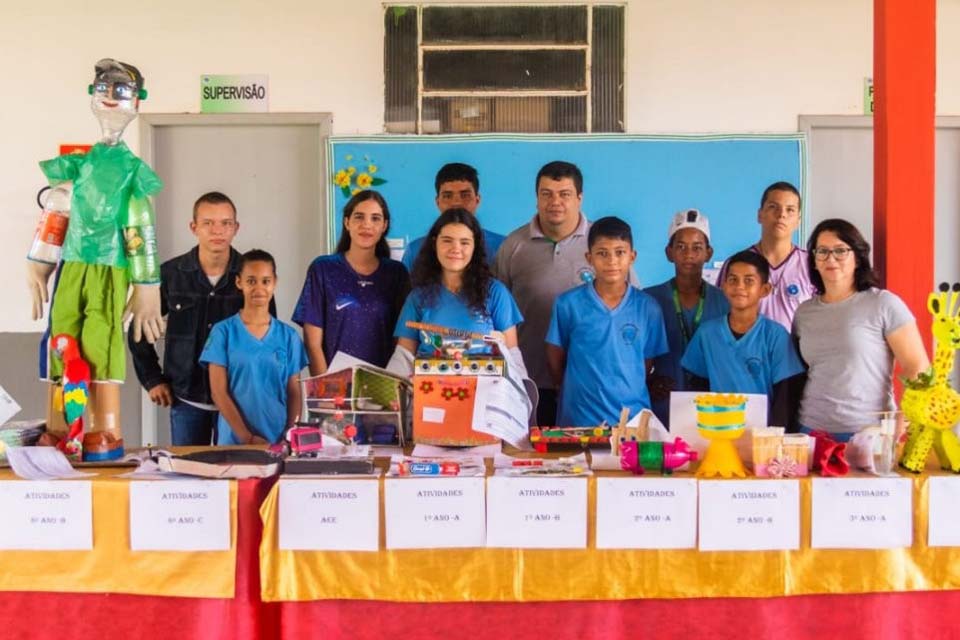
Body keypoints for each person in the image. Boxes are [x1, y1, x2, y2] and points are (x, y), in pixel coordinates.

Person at [27, 58, 163, 447]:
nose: (110, 96)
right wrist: (39, 261)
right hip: (71, 266)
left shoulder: (131, 171)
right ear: (91, 94)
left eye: (121, 90)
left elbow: (138, 222)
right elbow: (59, 204)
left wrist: (147, 283)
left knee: (101, 341)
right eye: (103, 87)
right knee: (61, 336)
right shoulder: (82, 164)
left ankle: (105, 428)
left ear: (137, 101)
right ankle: (59, 428)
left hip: (110, 268)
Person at [495, 161, 635, 425]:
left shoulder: (604, 244)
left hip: (592, 388)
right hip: (528, 380)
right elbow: (495, 311)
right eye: (546, 194)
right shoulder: (513, 246)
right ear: (537, 198)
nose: (555, 202)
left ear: (580, 198)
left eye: (565, 194)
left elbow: (630, 308)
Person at [129, 191, 268, 445]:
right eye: (208, 223)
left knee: (239, 467)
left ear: (236, 228)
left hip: (239, 400)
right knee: (190, 468)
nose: (217, 231)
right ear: (194, 227)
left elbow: (268, 337)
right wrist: (152, 379)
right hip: (187, 398)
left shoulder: (252, 276)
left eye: (225, 223)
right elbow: (139, 328)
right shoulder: (171, 274)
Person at [793, 219, 930, 441]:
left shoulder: (883, 303)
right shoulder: (804, 312)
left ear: (857, 258)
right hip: (810, 429)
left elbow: (917, 366)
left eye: (840, 251)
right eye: (822, 251)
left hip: (868, 432)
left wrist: (904, 416)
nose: (830, 259)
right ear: (814, 261)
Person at [545, 217, 668, 427]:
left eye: (620, 252)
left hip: (632, 420)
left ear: (632, 257)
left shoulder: (648, 308)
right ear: (589, 257)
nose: (612, 261)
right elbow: (555, 355)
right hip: (579, 419)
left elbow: (646, 363)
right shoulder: (568, 304)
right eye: (602, 253)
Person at [681, 251, 805, 427]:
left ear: (765, 289)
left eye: (749, 281)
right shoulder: (707, 333)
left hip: (762, 432)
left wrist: (773, 435)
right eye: (733, 280)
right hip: (717, 429)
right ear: (723, 286)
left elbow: (785, 394)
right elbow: (697, 385)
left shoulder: (775, 335)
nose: (739, 286)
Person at [293, 190, 409, 373]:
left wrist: (394, 384)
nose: (367, 224)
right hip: (334, 384)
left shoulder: (396, 273)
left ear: (384, 225)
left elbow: (402, 341)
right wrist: (326, 385)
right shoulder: (323, 269)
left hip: (384, 384)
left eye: (375, 218)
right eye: (359, 217)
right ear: (347, 222)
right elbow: (312, 342)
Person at [200, 249, 308, 445]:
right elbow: (219, 393)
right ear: (239, 282)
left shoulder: (289, 336)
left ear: (274, 282)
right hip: (234, 440)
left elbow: (294, 392)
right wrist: (247, 437)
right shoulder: (223, 332)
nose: (259, 288)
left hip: (277, 440)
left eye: (265, 281)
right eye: (251, 281)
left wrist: (289, 434)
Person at [393, 208, 523, 358]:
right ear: (435, 243)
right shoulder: (418, 297)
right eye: (447, 241)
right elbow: (403, 358)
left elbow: (513, 356)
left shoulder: (496, 292)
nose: (456, 249)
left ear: (475, 247)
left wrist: (502, 348)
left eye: (464, 242)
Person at [644, 209, 729, 427]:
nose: (689, 254)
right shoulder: (648, 300)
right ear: (669, 252)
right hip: (662, 404)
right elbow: (632, 354)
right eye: (681, 247)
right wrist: (648, 380)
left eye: (697, 247)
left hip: (711, 404)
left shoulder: (725, 302)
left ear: (709, 253)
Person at [718, 181, 815, 331]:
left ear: (798, 221)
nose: (781, 215)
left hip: (795, 346)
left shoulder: (811, 264)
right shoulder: (737, 264)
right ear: (760, 215)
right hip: (747, 346)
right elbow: (720, 314)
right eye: (773, 207)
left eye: (790, 210)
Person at [401, 163, 505, 270]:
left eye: (465, 195)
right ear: (437, 202)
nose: (456, 203)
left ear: (477, 200)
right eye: (447, 196)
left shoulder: (502, 247)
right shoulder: (415, 251)